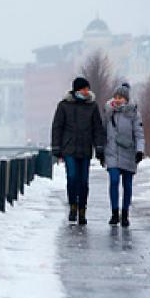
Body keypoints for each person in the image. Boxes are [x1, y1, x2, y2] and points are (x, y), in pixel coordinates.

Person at [51, 77, 106, 225]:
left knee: (84, 181)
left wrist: (99, 147)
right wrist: (56, 147)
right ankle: (73, 206)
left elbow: (97, 128)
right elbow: (57, 127)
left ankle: (82, 209)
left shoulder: (92, 106)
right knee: (72, 177)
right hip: (69, 148)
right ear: (76, 90)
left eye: (87, 88)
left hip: (85, 148)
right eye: (83, 89)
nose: (86, 91)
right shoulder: (63, 106)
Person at [102, 83, 145, 227]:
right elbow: (102, 132)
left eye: (120, 97)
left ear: (126, 99)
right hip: (112, 153)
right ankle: (114, 213)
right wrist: (100, 150)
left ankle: (125, 213)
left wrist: (140, 151)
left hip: (129, 153)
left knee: (127, 185)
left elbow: (139, 135)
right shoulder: (108, 112)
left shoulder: (134, 114)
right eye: (116, 96)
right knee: (114, 181)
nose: (117, 99)